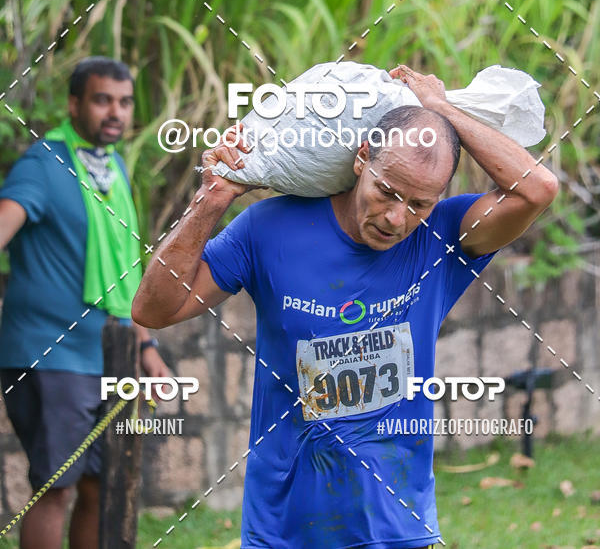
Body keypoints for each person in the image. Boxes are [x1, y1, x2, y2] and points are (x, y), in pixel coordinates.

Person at [132, 64, 559, 549]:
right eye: (387, 192)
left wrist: (438, 109)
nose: (396, 218)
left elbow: (537, 189)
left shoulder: (444, 237)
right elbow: (153, 310)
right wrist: (212, 201)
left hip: (398, 529)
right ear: (362, 159)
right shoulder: (268, 229)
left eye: (419, 203)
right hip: (283, 530)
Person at [0, 56, 169, 549]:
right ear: (74, 104)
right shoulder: (44, 164)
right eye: (101, 100)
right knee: (55, 488)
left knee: (101, 484)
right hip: (50, 355)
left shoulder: (112, 169)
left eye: (123, 102)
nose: (114, 112)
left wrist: (147, 346)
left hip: (109, 353)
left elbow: (126, 270)